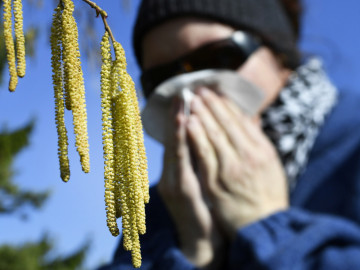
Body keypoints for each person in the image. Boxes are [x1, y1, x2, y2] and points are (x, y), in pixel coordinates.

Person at [101, 0, 360, 269]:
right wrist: (193, 254)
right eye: (162, 79)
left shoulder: (352, 146)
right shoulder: (161, 206)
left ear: (280, 53)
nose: (191, 92)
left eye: (219, 58)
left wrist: (266, 227)